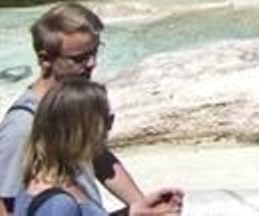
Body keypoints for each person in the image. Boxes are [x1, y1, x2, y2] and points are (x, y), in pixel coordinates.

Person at [0, 5, 163, 216]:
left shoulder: (75, 105)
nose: (92, 64)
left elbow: (100, 159)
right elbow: (5, 203)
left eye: (94, 52)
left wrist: (142, 206)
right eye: (79, 58)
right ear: (45, 59)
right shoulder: (23, 124)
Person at [10, 81, 181, 216]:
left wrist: (134, 211)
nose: (110, 127)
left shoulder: (60, 184)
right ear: (81, 130)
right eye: (106, 120)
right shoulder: (58, 204)